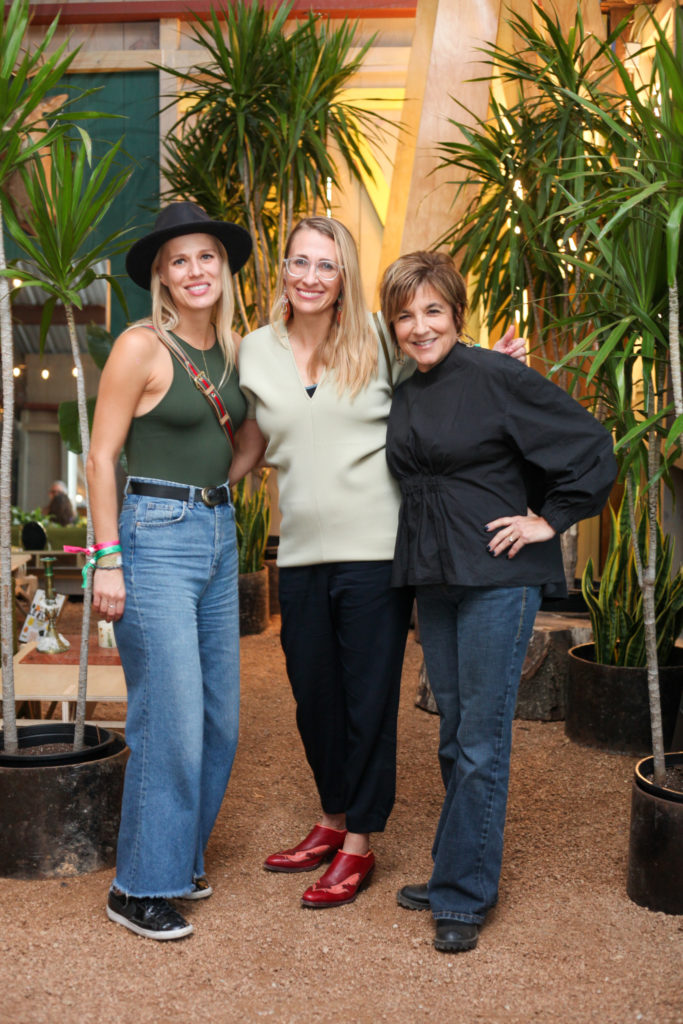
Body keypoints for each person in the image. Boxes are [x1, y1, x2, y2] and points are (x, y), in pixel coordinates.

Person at [233, 218, 526, 909]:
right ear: (281, 269)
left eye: (325, 266)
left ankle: (359, 843)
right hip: (298, 552)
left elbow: (440, 365)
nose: (309, 277)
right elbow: (250, 434)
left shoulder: (374, 336)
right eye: (298, 262)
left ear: (344, 276)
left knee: (367, 701)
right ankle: (330, 820)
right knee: (312, 698)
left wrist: (496, 365)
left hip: (376, 554)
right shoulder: (252, 350)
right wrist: (202, 483)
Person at [380, 251, 617, 953]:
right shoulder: (407, 388)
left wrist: (550, 518)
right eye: (405, 314)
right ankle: (459, 863)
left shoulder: (495, 373)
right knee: (454, 734)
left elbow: (589, 444)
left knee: (480, 741)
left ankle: (462, 895)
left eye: (432, 310)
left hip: (495, 577)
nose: (420, 326)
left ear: (455, 312)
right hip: (435, 576)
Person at [86, 201, 253, 941]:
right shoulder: (139, 346)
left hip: (218, 530)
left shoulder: (238, 350)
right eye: (178, 260)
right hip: (153, 537)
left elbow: (247, 439)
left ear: (224, 268)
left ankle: (176, 861)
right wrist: (107, 559)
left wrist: (224, 491)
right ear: (161, 275)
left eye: (206, 257)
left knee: (219, 720)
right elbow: (98, 457)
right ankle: (138, 888)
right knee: (171, 718)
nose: (195, 270)